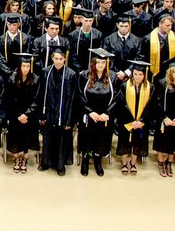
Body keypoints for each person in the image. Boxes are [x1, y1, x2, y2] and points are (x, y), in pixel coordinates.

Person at [77, 49, 121, 177]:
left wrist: (107, 113)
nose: (100, 65)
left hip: (105, 116)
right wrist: (90, 112)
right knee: (87, 138)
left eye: (103, 62)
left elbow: (117, 97)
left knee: (101, 139)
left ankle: (98, 161)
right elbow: (80, 95)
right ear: (93, 63)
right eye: (98, 62)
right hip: (89, 115)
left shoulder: (112, 76)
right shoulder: (84, 75)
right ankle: (85, 160)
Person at [38, 47, 77, 175]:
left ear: (65, 58)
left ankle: (60, 165)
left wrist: (69, 119)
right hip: (49, 110)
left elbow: (72, 98)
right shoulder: (45, 72)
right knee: (48, 137)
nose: (58, 61)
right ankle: (46, 162)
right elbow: (41, 94)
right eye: (56, 58)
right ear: (52, 58)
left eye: (61, 59)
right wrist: (42, 114)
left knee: (62, 138)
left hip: (63, 111)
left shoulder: (71, 74)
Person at [116, 60, 153, 176]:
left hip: (141, 122)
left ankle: (133, 162)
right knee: (124, 141)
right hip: (127, 120)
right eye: (135, 74)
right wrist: (131, 120)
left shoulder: (150, 87)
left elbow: (150, 106)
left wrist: (142, 121)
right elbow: (122, 104)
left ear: (144, 75)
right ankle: (124, 163)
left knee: (138, 141)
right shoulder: (124, 86)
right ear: (132, 74)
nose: (137, 77)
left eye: (140, 74)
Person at [5, 53, 41, 174]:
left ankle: (25, 158)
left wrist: (27, 114)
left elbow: (37, 99)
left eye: (27, 66)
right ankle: (16, 158)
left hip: (30, 115)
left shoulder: (36, 79)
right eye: (23, 66)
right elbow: (10, 98)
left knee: (27, 136)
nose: (25, 68)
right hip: (15, 115)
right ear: (19, 66)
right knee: (15, 135)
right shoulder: (12, 78)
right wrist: (19, 114)